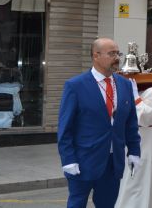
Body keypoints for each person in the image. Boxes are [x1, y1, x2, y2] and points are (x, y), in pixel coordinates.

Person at [57, 37, 141, 208]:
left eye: (118, 53)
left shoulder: (125, 85)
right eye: (111, 53)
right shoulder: (75, 86)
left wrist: (134, 151)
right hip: (82, 161)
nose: (117, 57)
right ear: (96, 56)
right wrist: (68, 160)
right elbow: (65, 128)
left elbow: (131, 122)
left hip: (112, 163)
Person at [115, 78, 152, 208]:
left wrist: (136, 98)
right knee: (130, 181)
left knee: (143, 180)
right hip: (130, 138)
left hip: (148, 137)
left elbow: (149, 117)